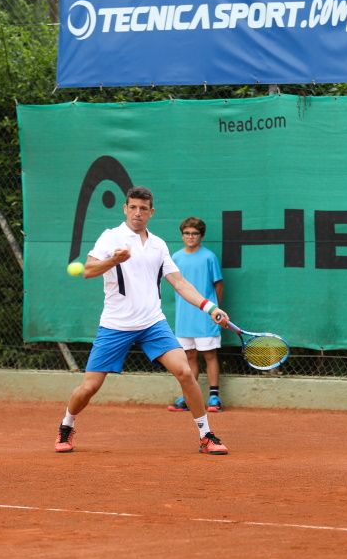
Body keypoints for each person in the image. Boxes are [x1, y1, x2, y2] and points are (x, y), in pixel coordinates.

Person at [55, 186, 230, 456]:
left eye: (143, 208)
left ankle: (205, 435)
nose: (138, 212)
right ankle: (67, 425)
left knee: (185, 372)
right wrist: (114, 260)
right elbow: (88, 270)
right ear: (125, 209)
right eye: (133, 207)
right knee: (89, 387)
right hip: (115, 325)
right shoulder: (111, 237)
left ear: (151, 212)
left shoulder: (158, 244)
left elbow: (179, 283)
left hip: (152, 323)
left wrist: (210, 307)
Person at [167, 217, 225, 414]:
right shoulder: (176, 257)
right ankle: (188, 397)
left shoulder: (209, 257)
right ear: (182, 235)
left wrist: (215, 310)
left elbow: (219, 285)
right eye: (187, 233)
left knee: (209, 355)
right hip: (184, 319)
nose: (190, 237)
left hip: (206, 318)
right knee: (189, 356)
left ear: (202, 235)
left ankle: (214, 398)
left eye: (194, 233)